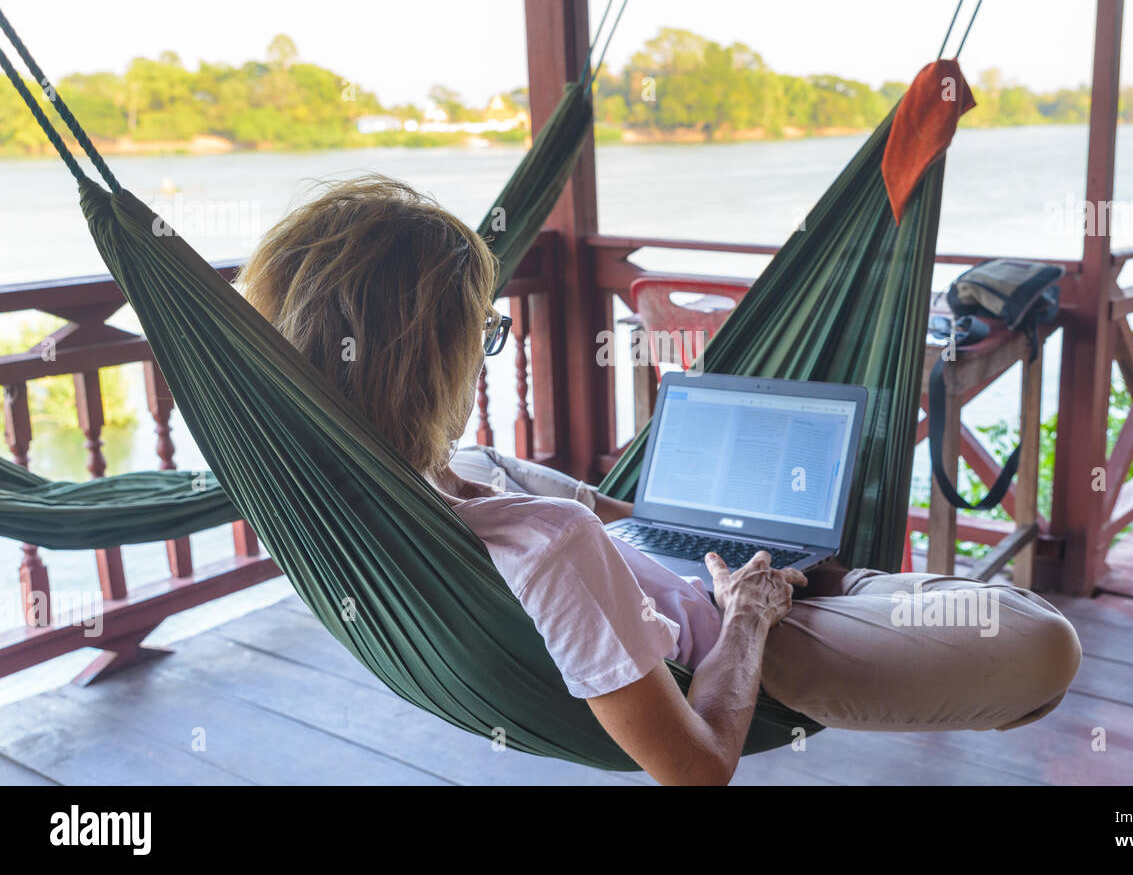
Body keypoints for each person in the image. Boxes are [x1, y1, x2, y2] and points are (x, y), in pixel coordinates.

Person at [239, 174, 1082, 786]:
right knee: (1041, 647)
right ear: (433, 358)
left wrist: (679, 541)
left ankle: (799, 564)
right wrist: (749, 614)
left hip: (666, 569)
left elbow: (586, 524)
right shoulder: (549, 542)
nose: (485, 350)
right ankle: (827, 576)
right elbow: (696, 767)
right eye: (483, 332)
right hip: (743, 643)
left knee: (496, 467)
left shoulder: (381, 490)